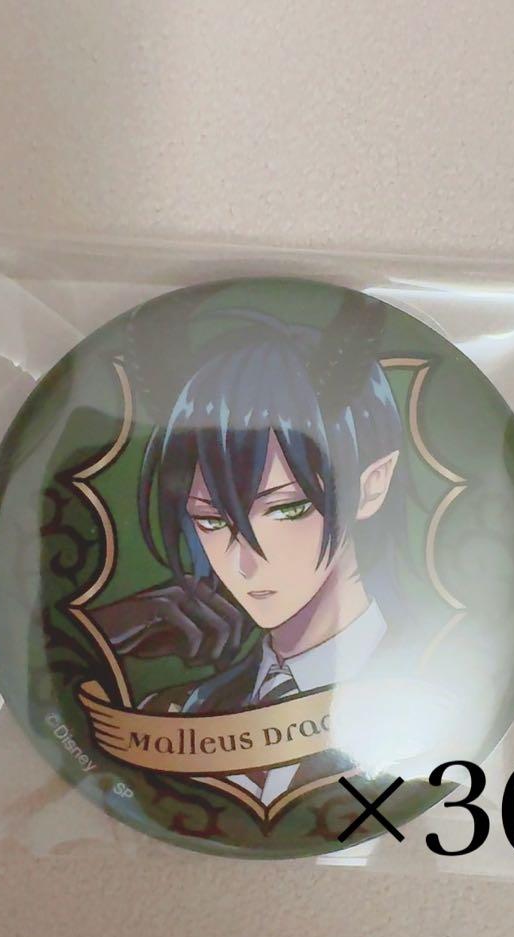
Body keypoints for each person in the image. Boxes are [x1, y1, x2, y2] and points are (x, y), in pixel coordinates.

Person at [90, 291, 410, 810]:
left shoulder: (437, 680)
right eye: (211, 520)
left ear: (372, 485)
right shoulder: (175, 713)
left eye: (287, 508)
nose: (243, 563)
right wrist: (94, 642)